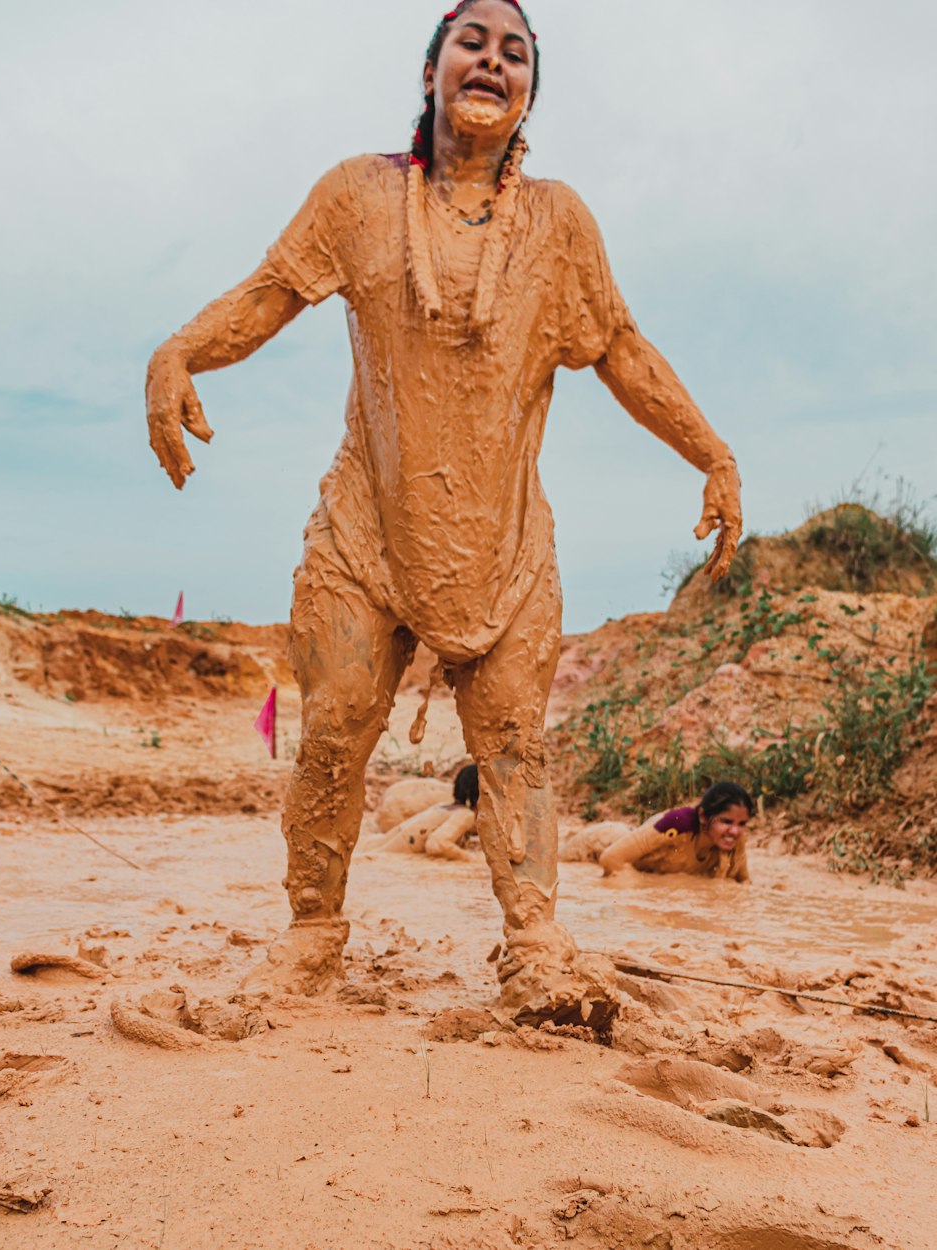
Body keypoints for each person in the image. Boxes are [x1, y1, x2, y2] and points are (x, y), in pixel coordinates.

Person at [145, 0, 742, 1026]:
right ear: (432, 70)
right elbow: (267, 293)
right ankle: (310, 934)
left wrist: (711, 452)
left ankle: (536, 945)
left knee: (516, 748)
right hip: (364, 529)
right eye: (472, 40)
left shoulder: (559, 223)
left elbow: (623, 351)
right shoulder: (357, 195)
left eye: (515, 52)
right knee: (332, 731)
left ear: (528, 93)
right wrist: (177, 352)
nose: (492, 59)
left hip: (505, 546)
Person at [595, 781, 753, 882]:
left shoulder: (734, 840)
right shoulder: (677, 823)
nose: (734, 831)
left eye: (742, 824)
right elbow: (611, 858)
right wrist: (647, 888)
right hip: (600, 841)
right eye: (726, 821)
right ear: (703, 816)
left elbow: (743, 882)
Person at [374, 764, 480, 860]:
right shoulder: (466, 815)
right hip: (397, 854)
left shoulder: (444, 806)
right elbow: (436, 845)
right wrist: (471, 859)